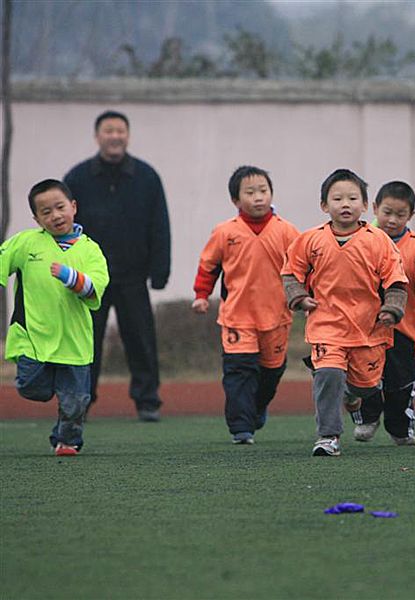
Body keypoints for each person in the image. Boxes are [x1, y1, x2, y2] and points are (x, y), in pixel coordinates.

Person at [281, 169, 408, 457]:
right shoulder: (310, 240)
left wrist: (392, 309)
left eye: (352, 197)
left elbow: (397, 282)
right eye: (337, 198)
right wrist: (299, 298)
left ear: (365, 205)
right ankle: (328, 436)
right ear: (325, 205)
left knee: (365, 388)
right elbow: (290, 273)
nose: (345, 204)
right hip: (326, 324)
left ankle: (352, 394)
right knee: (327, 373)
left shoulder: (378, 241)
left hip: (368, 328)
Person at [63, 110, 171, 422]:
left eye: (120, 130)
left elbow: (159, 226)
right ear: (97, 136)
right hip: (88, 280)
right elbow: (64, 228)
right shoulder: (78, 178)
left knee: (141, 340)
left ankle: (147, 401)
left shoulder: (147, 177)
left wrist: (160, 271)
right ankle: (81, 400)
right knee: (86, 342)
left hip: (132, 274)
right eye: (108, 131)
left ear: (127, 135)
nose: (114, 136)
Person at [191, 166, 300, 444]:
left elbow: (303, 267)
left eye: (263, 191)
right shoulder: (225, 232)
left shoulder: (287, 232)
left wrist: (307, 296)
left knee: (271, 372)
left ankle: (257, 407)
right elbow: (208, 266)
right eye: (250, 192)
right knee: (239, 372)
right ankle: (241, 428)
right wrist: (202, 295)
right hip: (237, 317)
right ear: (236, 200)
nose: (258, 197)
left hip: (276, 316)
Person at [1, 180, 109, 455]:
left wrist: (70, 277)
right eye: (46, 212)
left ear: (73, 207)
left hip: (74, 342)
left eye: (60, 207)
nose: (55, 216)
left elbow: (95, 287)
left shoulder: (90, 249)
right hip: (33, 338)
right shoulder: (26, 243)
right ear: (37, 218)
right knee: (29, 388)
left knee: (76, 403)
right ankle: (56, 389)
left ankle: (67, 441)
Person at [353, 181, 415, 446]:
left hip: (404, 329)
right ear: (374, 208)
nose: (392, 220)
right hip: (364, 328)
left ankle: (400, 428)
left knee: (401, 384)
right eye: (387, 212)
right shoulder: (358, 240)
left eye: (400, 214)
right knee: (365, 377)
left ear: (411, 216)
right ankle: (367, 418)